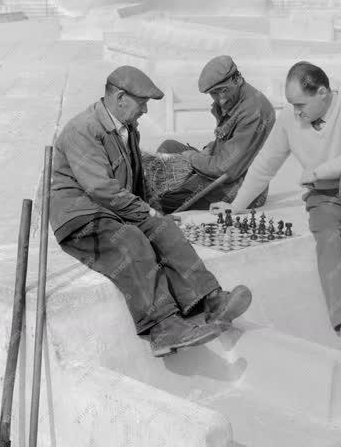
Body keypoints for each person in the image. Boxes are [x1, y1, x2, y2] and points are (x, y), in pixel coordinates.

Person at [50, 65, 252, 357]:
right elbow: (100, 190)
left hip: (113, 210)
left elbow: (136, 181)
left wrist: (155, 212)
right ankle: (163, 328)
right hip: (82, 216)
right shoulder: (82, 130)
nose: (145, 110)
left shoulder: (128, 128)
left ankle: (211, 300)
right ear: (120, 97)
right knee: (130, 240)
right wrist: (144, 212)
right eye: (141, 102)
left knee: (164, 230)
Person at [211, 61, 341, 376]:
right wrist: (237, 206)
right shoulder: (290, 119)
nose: (295, 112)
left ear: (322, 93)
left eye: (300, 105)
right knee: (327, 242)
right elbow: (265, 164)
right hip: (323, 196)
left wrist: (316, 172)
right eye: (291, 105)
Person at [147, 55, 276, 213]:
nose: (221, 100)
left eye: (224, 91)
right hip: (219, 166)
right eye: (214, 93)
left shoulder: (253, 112)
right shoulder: (234, 99)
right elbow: (226, 141)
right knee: (168, 147)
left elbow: (225, 168)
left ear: (238, 79)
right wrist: (209, 148)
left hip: (236, 185)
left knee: (163, 198)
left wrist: (192, 158)